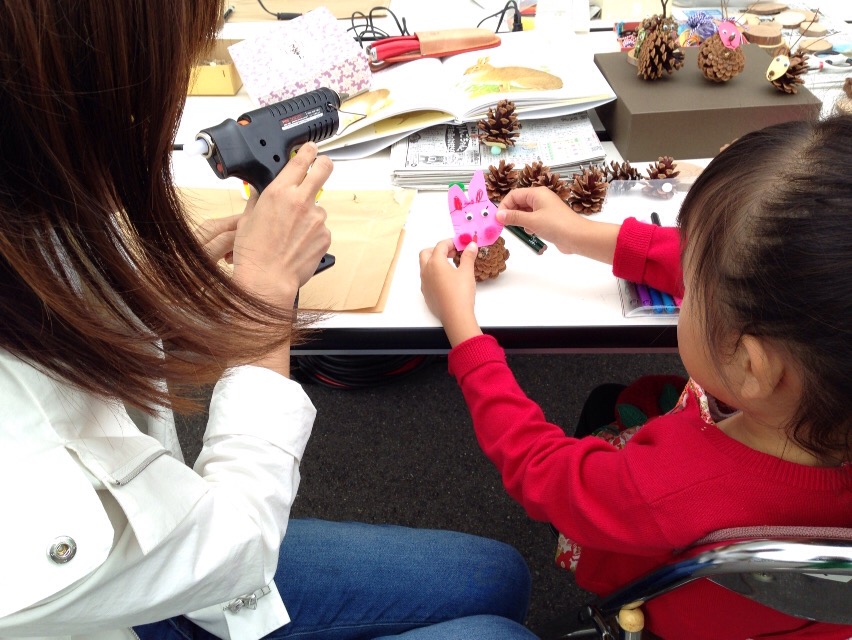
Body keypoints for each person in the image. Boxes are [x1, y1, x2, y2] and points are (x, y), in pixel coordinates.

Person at [0, 2, 537, 639]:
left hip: (150, 559)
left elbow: (59, 344)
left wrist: (140, 295)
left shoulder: (30, 210)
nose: (175, 96)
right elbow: (236, 549)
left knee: (499, 577)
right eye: (173, 69)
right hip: (145, 577)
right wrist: (265, 300)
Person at [419, 115, 852, 639]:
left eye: (692, 286)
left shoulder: (670, 485)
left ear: (754, 366)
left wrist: (465, 334)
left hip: (658, 592)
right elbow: (767, 285)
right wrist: (579, 233)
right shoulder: (824, 342)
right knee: (611, 397)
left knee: (601, 412)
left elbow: (542, 471)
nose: (684, 286)